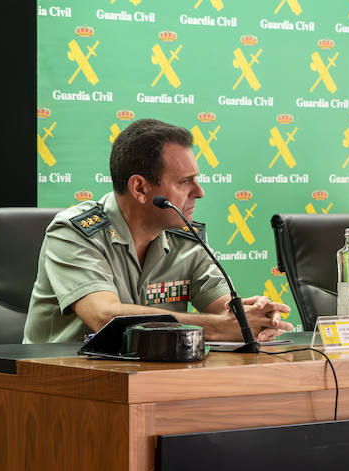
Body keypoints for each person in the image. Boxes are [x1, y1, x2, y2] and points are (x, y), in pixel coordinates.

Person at [23, 118, 293, 343]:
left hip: (147, 381)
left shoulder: (185, 237)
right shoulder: (73, 233)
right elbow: (104, 316)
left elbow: (223, 310)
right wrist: (219, 327)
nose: (199, 192)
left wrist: (253, 317)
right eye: (185, 182)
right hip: (60, 386)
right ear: (140, 188)